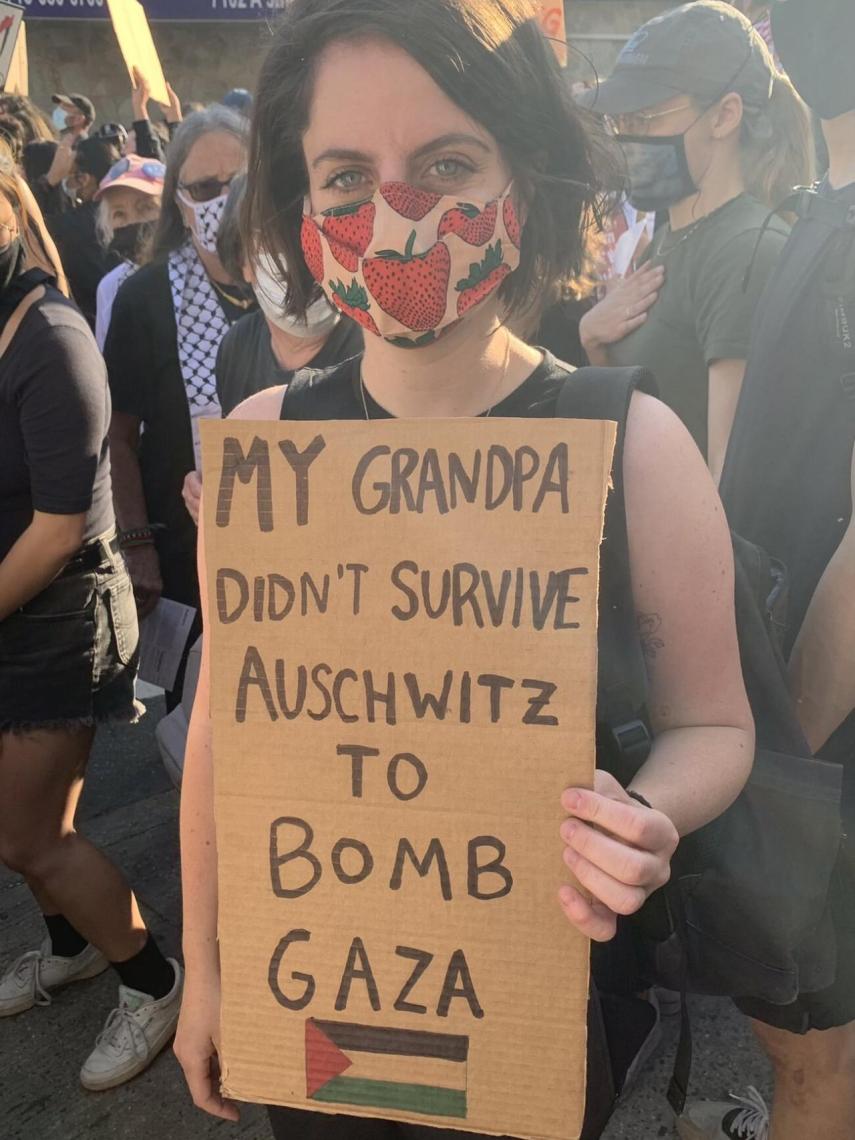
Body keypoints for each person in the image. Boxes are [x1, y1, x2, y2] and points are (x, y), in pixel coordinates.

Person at [173, 3, 755, 1139]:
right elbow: (222, 736)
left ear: (521, 186)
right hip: (319, 1012)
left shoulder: (633, 449)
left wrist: (648, 813)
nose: (395, 213)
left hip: (526, 1005)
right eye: (345, 177)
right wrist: (207, 965)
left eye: (446, 163)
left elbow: (717, 727)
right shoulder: (268, 445)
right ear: (298, 211)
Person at [679, 2, 855, 1138]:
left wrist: (781, 733)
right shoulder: (825, 213)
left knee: (815, 1053)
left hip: (821, 724)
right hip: (806, 719)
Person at [0, 158, 181, 1090]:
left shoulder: (55, 338)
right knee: (18, 829)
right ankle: (69, 945)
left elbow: (60, 525)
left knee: (35, 837)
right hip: (13, 614)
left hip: (57, 622)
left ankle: (153, 983)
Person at [577, 0, 813, 482]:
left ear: (724, 116)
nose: (627, 138)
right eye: (621, 122)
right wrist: (593, 340)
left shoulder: (744, 251)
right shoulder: (668, 236)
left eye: (644, 118)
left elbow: (729, 484)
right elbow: (640, 416)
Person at [105, 107, 252, 711]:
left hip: (294, 561)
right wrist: (136, 543)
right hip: (183, 559)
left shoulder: (304, 289)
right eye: (203, 189)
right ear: (179, 202)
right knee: (191, 726)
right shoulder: (146, 298)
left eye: (237, 183)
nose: (222, 201)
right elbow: (116, 434)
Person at [48, 136, 122, 329]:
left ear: (85, 178)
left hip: (94, 321)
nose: (68, 182)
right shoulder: (118, 209)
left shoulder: (82, 222)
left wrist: (49, 182)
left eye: (72, 174)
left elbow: (39, 227)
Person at [93, 155, 165, 350]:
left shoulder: (199, 272)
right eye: (119, 214)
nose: (132, 221)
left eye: (146, 208)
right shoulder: (110, 287)